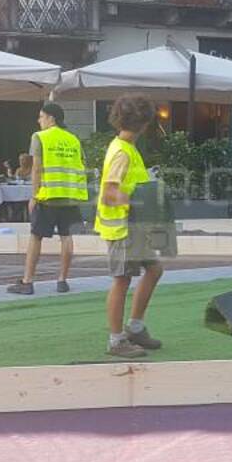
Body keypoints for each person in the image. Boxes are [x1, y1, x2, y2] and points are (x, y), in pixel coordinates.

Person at [95, 96, 163, 359]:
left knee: (154, 270)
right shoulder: (123, 152)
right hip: (123, 227)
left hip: (132, 226)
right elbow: (109, 194)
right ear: (145, 123)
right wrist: (138, 203)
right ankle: (116, 340)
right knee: (122, 280)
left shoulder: (124, 147)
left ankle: (134, 327)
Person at [7, 103, 88, 295]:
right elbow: (82, 164)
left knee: (36, 237)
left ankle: (27, 282)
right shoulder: (73, 139)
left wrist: (34, 195)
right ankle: (62, 280)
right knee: (66, 237)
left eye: (41, 116)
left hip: (48, 196)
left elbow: (36, 168)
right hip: (70, 196)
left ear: (51, 118)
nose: (38, 120)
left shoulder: (40, 137)